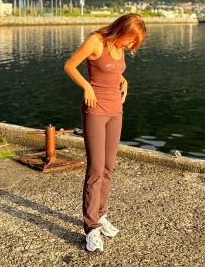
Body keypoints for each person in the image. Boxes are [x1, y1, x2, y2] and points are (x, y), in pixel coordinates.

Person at [64, 13, 146, 252]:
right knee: (96, 169)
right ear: (122, 29)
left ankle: (101, 215)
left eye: (134, 43)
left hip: (115, 110)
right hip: (96, 110)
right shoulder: (96, 41)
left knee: (109, 167)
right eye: (130, 40)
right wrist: (87, 87)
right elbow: (70, 66)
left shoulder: (119, 47)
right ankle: (91, 227)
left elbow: (112, 69)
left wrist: (124, 80)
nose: (130, 45)